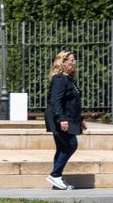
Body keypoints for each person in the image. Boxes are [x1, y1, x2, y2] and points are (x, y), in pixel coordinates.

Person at [44, 50, 86, 190]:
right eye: (71, 60)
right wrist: (61, 119)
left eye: (74, 60)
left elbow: (72, 102)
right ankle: (55, 175)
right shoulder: (60, 78)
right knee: (71, 145)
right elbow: (56, 100)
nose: (74, 63)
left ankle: (57, 180)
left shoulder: (68, 79)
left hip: (67, 117)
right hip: (59, 118)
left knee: (62, 147)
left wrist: (80, 119)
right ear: (63, 62)